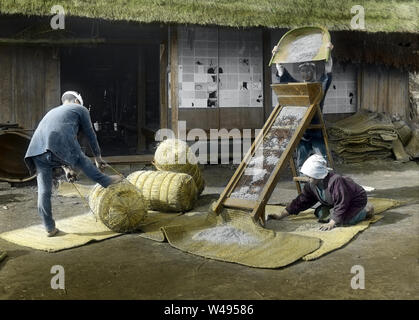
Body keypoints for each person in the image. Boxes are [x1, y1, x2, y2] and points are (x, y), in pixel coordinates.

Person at [25, 91, 123, 237]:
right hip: (56, 145)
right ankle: (105, 180)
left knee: (44, 191)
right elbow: (90, 134)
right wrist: (98, 158)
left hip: (36, 151)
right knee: (81, 158)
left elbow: (53, 143)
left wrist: (67, 168)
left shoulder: (53, 111)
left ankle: (49, 228)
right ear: (76, 101)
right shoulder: (80, 109)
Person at [267, 155, 374, 231]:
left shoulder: (336, 181)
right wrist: (281, 215)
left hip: (354, 201)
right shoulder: (312, 184)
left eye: (309, 176)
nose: (307, 179)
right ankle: (335, 215)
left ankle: (366, 211)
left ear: (318, 175)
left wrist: (332, 223)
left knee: (343, 221)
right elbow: (301, 200)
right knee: (321, 213)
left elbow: (342, 202)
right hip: (336, 202)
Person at [272, 42, 333, 173]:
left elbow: (327, 72)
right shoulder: (296, 87)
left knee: (322, 163)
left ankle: (324, 190)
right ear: (300, 72)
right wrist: (278, 56)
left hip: (317, 129)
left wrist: (328, 52)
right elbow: (282, 73)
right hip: (302, 131)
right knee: (302, 165)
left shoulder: (318, 86)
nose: (306, 72)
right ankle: (305, 190)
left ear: (313, 71)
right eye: (303, 70)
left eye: (309, 70)